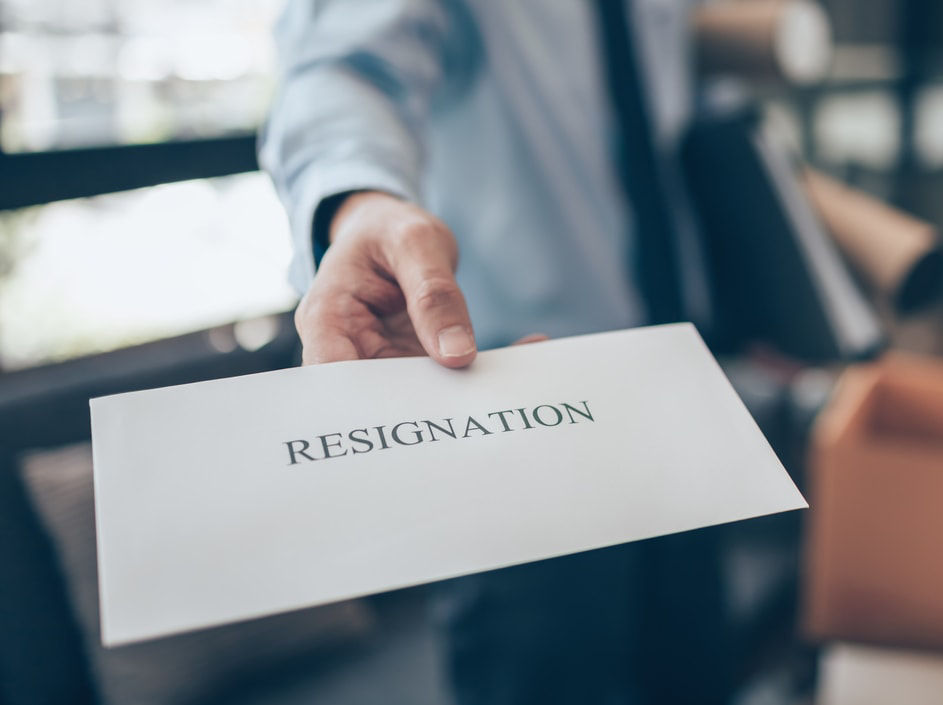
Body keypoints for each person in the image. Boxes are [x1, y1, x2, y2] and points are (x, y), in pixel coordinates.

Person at [260, 2, 726, 703]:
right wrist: (360, 205)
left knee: (691, 673)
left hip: (672, 399)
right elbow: (341, 73)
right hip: (510, 419)